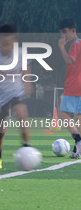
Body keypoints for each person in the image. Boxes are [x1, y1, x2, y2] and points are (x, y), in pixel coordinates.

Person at [0, 25, 33, 169]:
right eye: (3, 43)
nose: (7, 47)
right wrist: (0, 72)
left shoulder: (19, 53)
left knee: (21, 112)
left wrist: (27, 82)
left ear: (14, 41)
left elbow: (25, 67)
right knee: (1, 131)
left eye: (10, 43)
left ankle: (27, 149)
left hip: (14, 92)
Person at [58, 18, 81, 159]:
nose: (63, 36)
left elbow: (69, 60)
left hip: (74, 85)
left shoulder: (75, 44)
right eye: (61, 33)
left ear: (73, 30)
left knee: (63, 114)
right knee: (78, 117)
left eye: (65, 32)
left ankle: (78, 139)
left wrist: (61, 47)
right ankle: (77, 149)